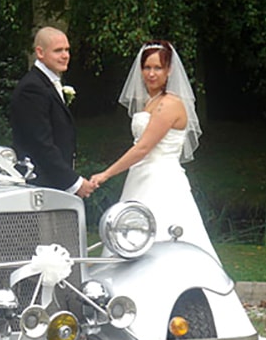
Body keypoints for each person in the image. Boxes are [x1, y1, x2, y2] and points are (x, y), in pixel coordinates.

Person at [90, 40, 217, 258]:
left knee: (161, 235)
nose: (151, 73)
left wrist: (106, 174)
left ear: (168, 71)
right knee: (130, 235)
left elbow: (143, 148)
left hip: (161, 180)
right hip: (139, 177)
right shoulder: (150, 102)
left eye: (158, 68)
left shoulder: (169, 104)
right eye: (147, 67)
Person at [10, 26, 97, 198]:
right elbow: (40, 144)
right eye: (58, 51)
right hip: (41, 186)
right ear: (40, 53)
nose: (65, 55)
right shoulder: (32, 88)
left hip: (53, 183)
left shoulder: (46, 83)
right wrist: (74, 182)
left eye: (67, 50)